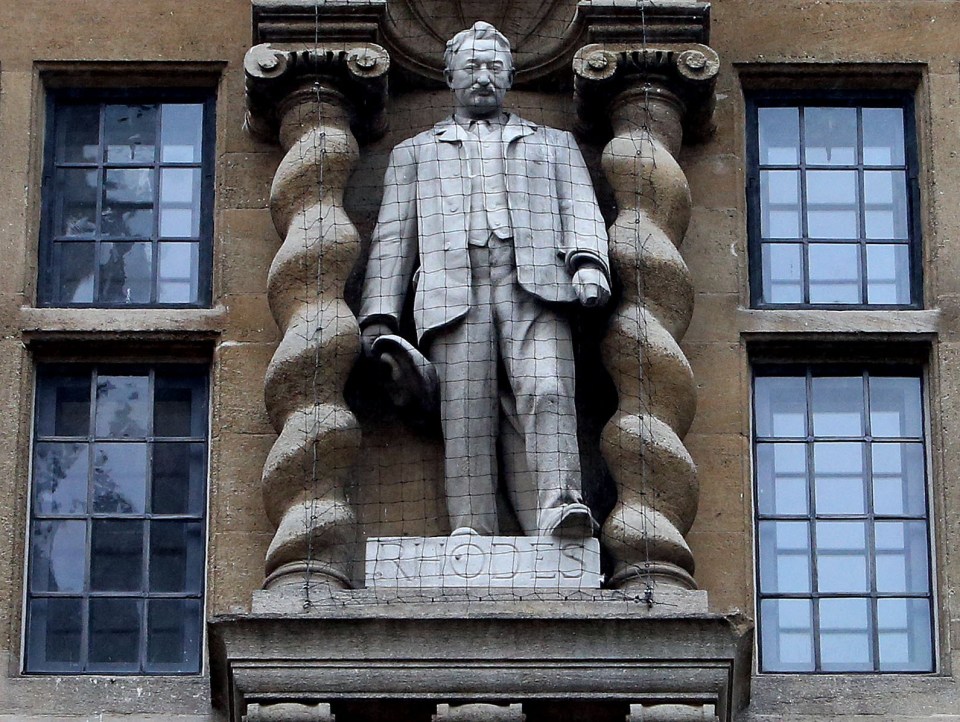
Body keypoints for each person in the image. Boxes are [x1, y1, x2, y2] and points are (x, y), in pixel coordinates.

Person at [359, 21, 611, 538]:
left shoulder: (555, 144)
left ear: (512, 76)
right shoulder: (415, 152)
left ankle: (562, 506)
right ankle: (471, 529)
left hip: (537, 284)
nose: (483, 77)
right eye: (471, 67)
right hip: (452, 289)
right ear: (449, 77)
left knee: (548, 388)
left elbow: (581, 208)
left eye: (494, 67)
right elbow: (393, 238)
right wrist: (379, 316)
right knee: (466, 413)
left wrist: (589, 262)